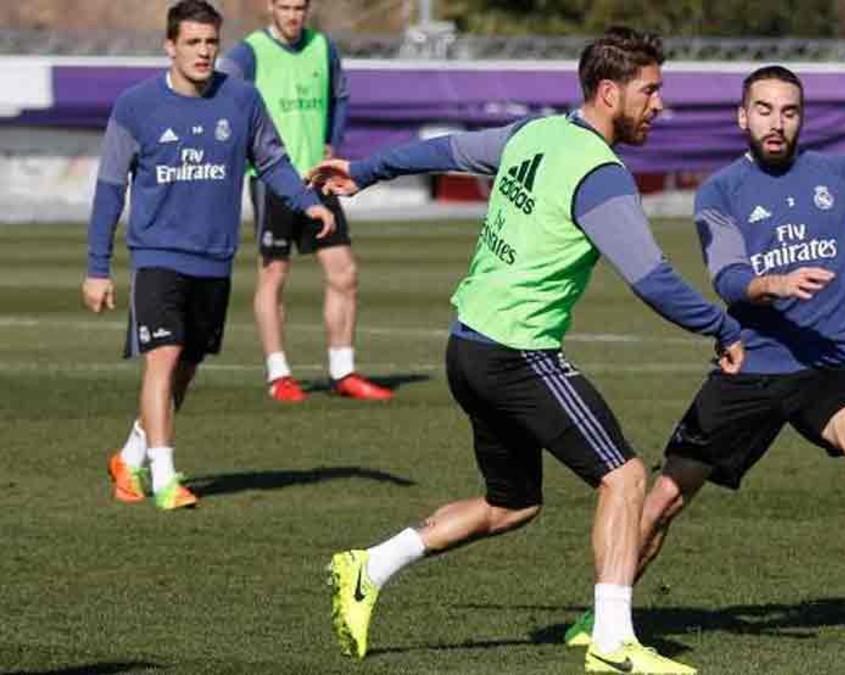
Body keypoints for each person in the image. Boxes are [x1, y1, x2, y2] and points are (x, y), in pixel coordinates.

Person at [311, 27, 744, 674]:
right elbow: (651, 278)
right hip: (516, 352)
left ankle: (368, 566)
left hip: (467, 346)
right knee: (625, 478)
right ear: (608, 91)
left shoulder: (535, 134)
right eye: (649, 91)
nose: (659, 105)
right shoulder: (600, 174)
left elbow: (446, 149)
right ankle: (613, 641)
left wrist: (366, 171)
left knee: (511, 504)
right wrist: (723, 326)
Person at [563, 65, 845, 647]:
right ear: (743, 117)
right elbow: (729, 277)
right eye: (764, 110)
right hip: (751, 364)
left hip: (825, 364)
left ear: (801, 119)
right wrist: (775, 284)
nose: (776, 123)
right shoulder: (720, 191)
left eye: (789, 112)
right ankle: (604, 614)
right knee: (667, 495)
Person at [85, 0, 334, 511]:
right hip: (157, 256)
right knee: (164, 359)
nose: (203, 52)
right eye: (193, 43)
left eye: (210, 43)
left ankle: (131, 456)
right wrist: (97, 268)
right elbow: (110, 189)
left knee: (184, 371)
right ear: (169, 46)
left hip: (214, 260)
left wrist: (308, 203)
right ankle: (165, 478)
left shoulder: (242, 100)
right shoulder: (135, 106)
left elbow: (273, 161)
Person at [221, 0, 391, 402]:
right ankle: (279, 374)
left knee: (344, 272)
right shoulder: (249, 52)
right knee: (274, 275)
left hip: (317, 180)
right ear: (269, 7)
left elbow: (341, 96)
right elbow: (222, 96)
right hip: (273, 181)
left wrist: (334, 138)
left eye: (300, 6)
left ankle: (342, 370)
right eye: (285, 6)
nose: (293, 14)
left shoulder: (323, 47)